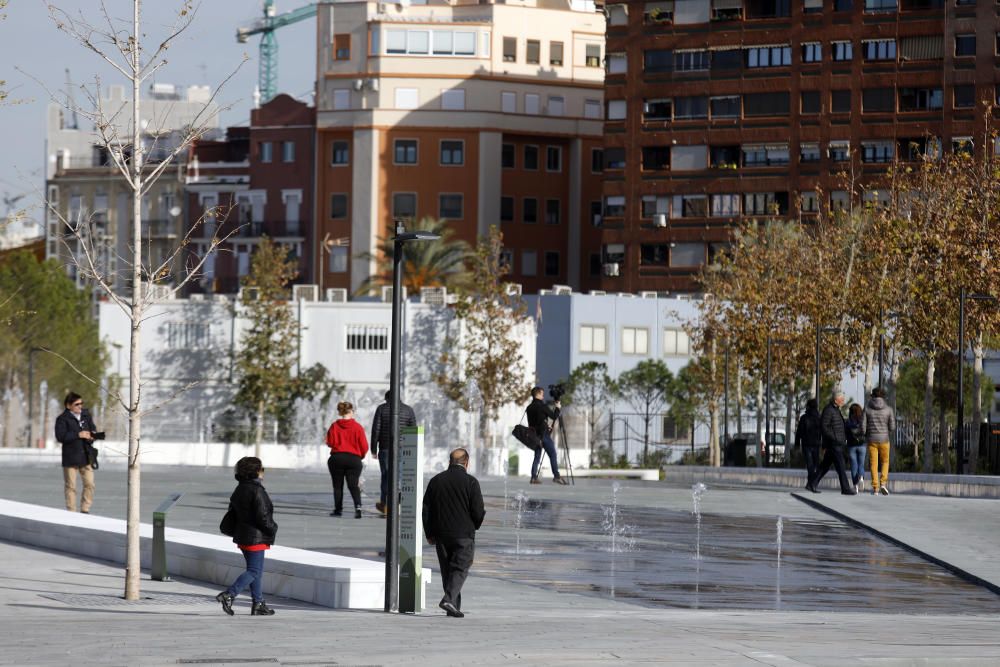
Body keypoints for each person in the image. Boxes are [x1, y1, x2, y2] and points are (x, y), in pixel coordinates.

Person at [422, 447, 486, 618]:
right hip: (463, 534)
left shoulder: (436, 481)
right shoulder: (471, 482)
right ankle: (449, 600)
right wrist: (475, 525)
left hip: (441, 534)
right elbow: (478, 510)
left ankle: (453, 607)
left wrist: (429, 532)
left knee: (447, 571)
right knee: (460, 568)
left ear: (449, 462)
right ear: (466, 462)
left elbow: (426, 509)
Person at [216, 456, 278, 616]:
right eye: (261, 469)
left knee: (255, 571)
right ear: (256, 472)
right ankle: (229, 595)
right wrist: (272, 529)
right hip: (255, 536)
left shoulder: (240, 488)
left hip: (244, 535)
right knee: (254, 571)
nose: (263, 472)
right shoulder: (257, 490)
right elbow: (263, 517)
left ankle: (258, 603)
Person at [370, 390, 417, 516]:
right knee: (400, 475)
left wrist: (373, 449)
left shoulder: (381, 409)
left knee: (386, 476)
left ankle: (385, 504)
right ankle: (398, 501)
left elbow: (376, 429)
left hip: (385, 448)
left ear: (387, 399)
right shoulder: (409, 410)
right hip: (403, 448)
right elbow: (413, 430)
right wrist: (412, 450)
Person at [54, 392, 98, 513]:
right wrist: (78, 434)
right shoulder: (62, 419)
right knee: (71, 486)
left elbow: (93, 428)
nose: (80, 406)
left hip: (86, 455)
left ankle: (85, 509)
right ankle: (71, 511)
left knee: (90, 484)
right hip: (70, 457)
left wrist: (92, 435)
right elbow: (60, 437)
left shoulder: (86, 415)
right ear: (68, 406)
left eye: (81, 403)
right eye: (77, 404)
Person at [325, 401, 369, 518]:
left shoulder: (334, 426)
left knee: (338, 486)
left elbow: (329, 442)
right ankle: (358, 508)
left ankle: (338, 510)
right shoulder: (358, 427)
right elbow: (364, 446)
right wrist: (360, 456)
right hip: (353, 459)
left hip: (337, 458)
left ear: (341, 412)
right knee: (353, 485)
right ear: (351, 412)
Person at [812, 390, 856, 495]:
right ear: (836, 399)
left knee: (825, 466)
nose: (843, 401)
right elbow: (824, 426)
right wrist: (834, 438)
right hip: (834, 444)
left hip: (837, 443)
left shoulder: (835, 410)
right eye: (842, 399)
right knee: (841, 466)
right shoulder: (829, 410)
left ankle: (812, 483)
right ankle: (845, 488)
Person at [525, 386, 568, 485]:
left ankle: (533, 477)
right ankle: (556, 476)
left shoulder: (529, 407)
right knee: (552, 454)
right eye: (542, 393)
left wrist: (545, 425)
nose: (543, 395)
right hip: (543, 435)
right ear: (538, 394)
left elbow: (534, 421)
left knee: (537, 456)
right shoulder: (542, 406)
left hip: (534, 435)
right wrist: (557, 407)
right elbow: (554, 416)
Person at [863, 387, 896, 496]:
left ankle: (875, 487)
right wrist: (886, 431)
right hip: (884, 439)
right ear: (883, 396)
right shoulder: (889, 409)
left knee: (873, 463)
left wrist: (865, 434)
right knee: (885, 462)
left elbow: (863, 426)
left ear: (872, 396)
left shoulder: (867, 408)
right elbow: (892, 426)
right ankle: (883, 483)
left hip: (872, 439)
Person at [795, 398, 823, 493]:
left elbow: (799, 432)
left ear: (808, 406)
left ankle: (810, 483)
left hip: (806, 444)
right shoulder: (819, 417)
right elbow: (822, 432)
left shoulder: (804, 418)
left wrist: (797, 444)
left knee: (810, 465)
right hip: (816, 444)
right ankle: (811, 484)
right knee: (816, 465)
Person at [846, 402, 867, 491]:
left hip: (851, 445)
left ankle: (855, 485)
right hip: (862, 444)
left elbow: (846, 433)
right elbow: (865, 431)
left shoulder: (848, 421)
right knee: (861, 464)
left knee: (854, 465)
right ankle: (861, 478)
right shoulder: (862, 420)